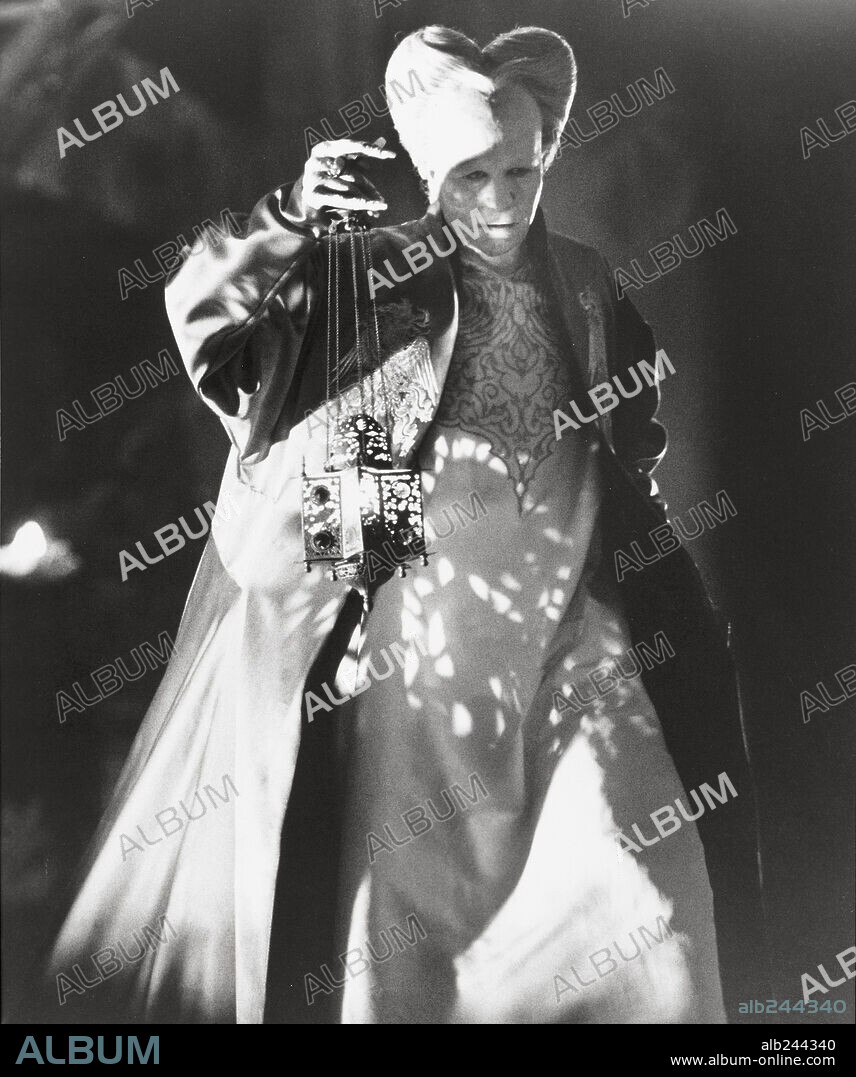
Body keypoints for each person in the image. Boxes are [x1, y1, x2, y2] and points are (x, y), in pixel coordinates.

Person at [45, 24, 767, 1024]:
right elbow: (220, 337)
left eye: (524, 168)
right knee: (403, 950)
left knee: (654, 911)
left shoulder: (588, 286)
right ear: (430, 174)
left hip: (573, 647)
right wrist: (293, 216)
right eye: (474, 175)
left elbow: (625, 440)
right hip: (418, 664)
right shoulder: (367, 284)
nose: (506, 199)